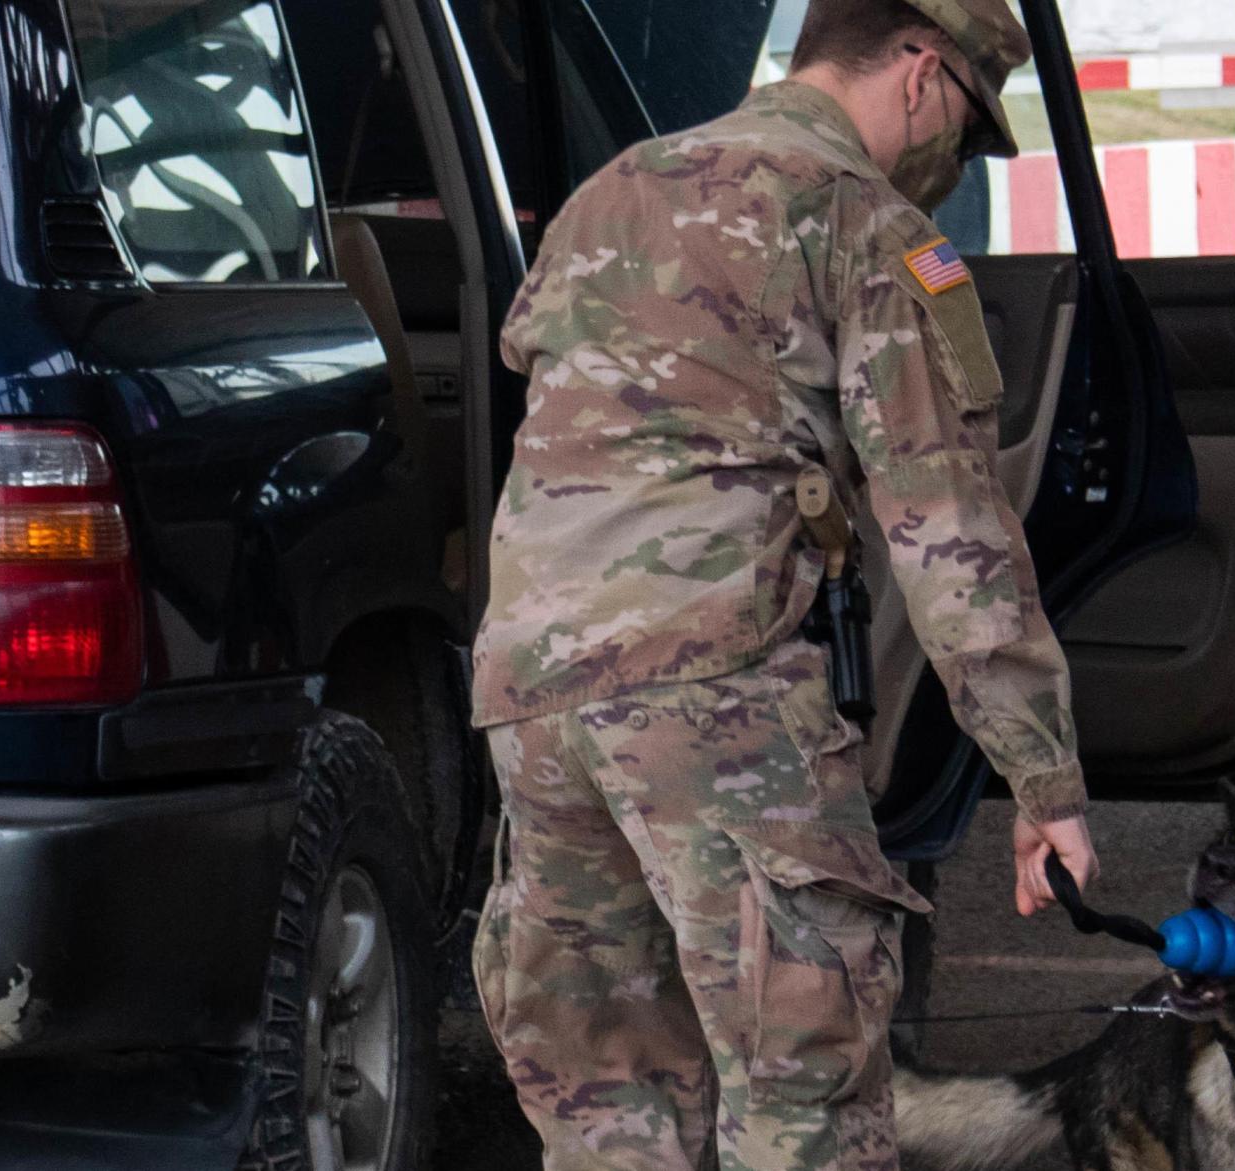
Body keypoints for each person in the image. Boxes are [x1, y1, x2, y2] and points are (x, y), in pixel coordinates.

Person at [469, 2, 1100, 1167]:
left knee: (610, 1111)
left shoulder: (616, 186)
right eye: (969, 122)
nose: (955, 158)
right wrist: (1043, 776)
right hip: (719, 701)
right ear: (920, 72)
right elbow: (949, 528)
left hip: (532, 701)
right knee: (803, 1097)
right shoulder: (871, 225)